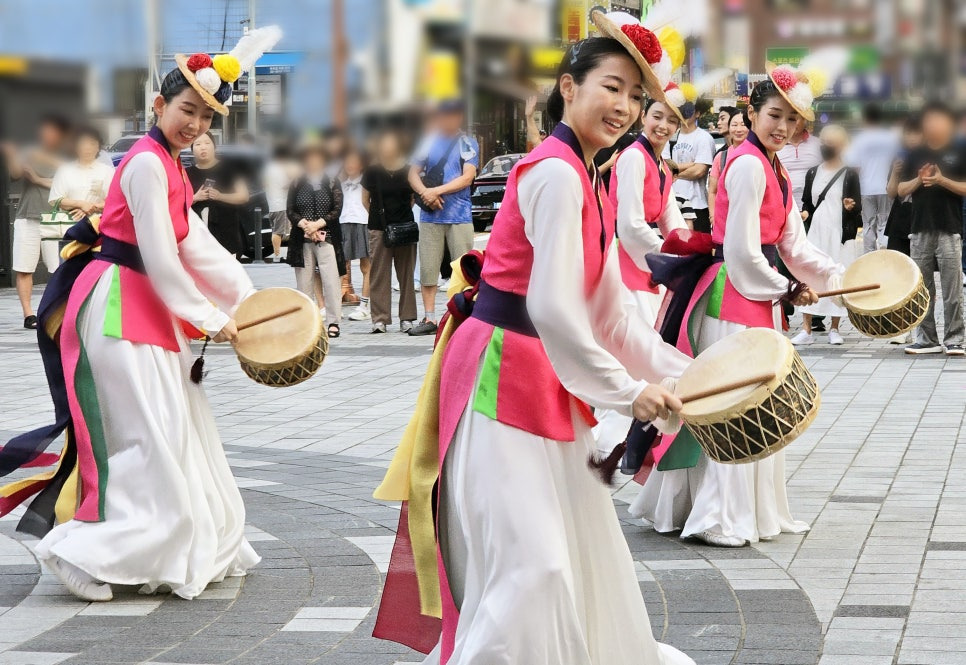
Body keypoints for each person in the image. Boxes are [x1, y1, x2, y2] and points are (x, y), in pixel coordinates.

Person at [373, 14, 696, 664]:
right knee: (536, 564)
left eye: (637, 95)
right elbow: (553, 306)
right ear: (568, 87)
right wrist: (627, 389)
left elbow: (607, 311)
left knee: (574, 551)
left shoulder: (591, 176)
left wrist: (684, 371)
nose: (627, 106)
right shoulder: (554, 172)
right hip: (502, 373)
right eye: (613, 86)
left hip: (540, 375)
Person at [1, 31, 282, 601]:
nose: (195, 125)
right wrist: (209, 315)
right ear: (159, 105)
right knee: (144, 442)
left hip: (144, 306)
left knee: (175, 435)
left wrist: (246, 298)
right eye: (187, 111)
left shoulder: (170, 166)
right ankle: (77, 551)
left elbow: (192, 242)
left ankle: (167, 550)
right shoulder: (146, 164)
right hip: (119, 307)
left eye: (205, 117)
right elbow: (159, 253)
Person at [635, 65, 846, 548]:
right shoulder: (749, 163)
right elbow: (744, 250)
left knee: (751, 402)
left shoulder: (774, 167)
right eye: (774, 115)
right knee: (730, 406)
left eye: (792, 120)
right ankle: (718, 514)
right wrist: (788, 289)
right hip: (733, 291)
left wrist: (836, 277)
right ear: (752, 112)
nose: (783, 127)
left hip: (756, 294)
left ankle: (742, 511)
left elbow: (793, 244)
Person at [899, 101, 966, 356]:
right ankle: (926, 339)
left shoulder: (958, 152)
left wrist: (941, 180)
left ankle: (955, 339)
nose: (933, 124)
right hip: (919, 228)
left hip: (949, 228)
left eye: (938, 119)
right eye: (929, 120)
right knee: (923, 289)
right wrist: (919, 178)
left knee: (952, 288)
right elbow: (901, 191)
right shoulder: (914, 154)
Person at [408, 100, 480, 337]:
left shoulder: (467, 143)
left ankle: (465, 315)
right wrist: (424, 193)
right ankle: (429, 316)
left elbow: (467, 178)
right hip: (431, 216)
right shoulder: (427, 141)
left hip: (459, 214)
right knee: (428, 268)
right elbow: (412, 174)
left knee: (465, 268)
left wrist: (434, 192)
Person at [791, 125, 862, 346]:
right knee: (810, 276)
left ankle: (834, 327)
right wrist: (803, 213)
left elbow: (857, 206)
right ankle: (806, 328)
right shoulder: (813, 172)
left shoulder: (850, 173)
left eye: (831, 143)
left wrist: (851, 207)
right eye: (824, 142)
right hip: (815, 232)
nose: (826, 146)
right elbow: (807, 203)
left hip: (838, 233)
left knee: (835, 278)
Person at [2, 115, 70, 329]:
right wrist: (11, 153)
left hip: (55, 217)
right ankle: (28, 315)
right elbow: (15, 174)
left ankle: (54, 311)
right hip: (27, 215)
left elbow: (66, 183)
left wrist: (38, 179)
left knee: (58, 268)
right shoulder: (29, 151)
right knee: (24, 268)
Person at [287, 138, 345, 338]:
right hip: (302, 239)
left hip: (326, 237)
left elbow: (337, 209)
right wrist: (304, 224)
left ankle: (333, 322)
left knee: (331, 281)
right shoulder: (296, 182)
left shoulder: (331, 180)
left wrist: (317, 224)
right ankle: (306, 323)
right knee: (304, 283)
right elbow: (290, 210)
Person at [362, 130, 419, 333]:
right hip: (379, 228)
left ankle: (407, 318)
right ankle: (380, 319)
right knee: (379, 274)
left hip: (405, 227)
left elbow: (412, 198)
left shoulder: (409, 169)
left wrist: (398, 219)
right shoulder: (372, 171)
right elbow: (365, 201)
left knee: (406, 275)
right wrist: (382, 218)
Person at [883, 115, 922, 345]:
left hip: (922, 221)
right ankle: (902, 326)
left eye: (915, 133)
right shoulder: (899, 159)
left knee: (920, 277)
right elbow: (891, 192)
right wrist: (897, 171)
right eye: (908, 133)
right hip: (899, 221)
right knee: (898, 275)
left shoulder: (929, 158)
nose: (911, 138)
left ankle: (920, 328)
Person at [846, 103, 900, 253]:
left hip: (866, 188)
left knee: (868, 223)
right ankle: (885, 252)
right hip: (887, 187)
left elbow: (853, 164)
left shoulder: (860, 139)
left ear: (865, 119)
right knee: (885, 221)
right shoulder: (891, 138)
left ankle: (869, 255)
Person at [186, 132, 249, 258]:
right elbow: (176, 202)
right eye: (197, 144)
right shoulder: (187, 173)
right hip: (197, 236)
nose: (203, 147)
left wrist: (220, 196)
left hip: (226, 232)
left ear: (214, 146)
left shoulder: (229, 169)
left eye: (207, 143)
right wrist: (195, 198)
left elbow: (244, 196)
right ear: (192, 149)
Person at [663, 99, 716, 232]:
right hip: (673, 205)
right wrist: (689, 165)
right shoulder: (669, 137)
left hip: (698, 205)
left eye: (689, 109)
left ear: (697, 113)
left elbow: (699, 171)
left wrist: (673, 172)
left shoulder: (704, 138)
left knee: (699, 250)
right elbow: (664, 167)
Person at [48, 125, 115, 223]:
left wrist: (91, 207)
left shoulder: (108, 171)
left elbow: (114, 200)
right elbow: (55, 199)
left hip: (99, 226)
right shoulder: (64, 170)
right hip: (69, 225)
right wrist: (80, 204)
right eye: (83, 143)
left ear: (98, 147)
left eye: (92, 143)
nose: (87, 148)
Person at [340, 150, 373, 321]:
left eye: (354, 161)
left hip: (364, 222)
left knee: (366, 266)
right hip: (344, 222)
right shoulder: (341, 181)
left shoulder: (367, 180)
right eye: (347, 161)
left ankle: (365, 305)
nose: (350, 165)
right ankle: (334, 307)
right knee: (340, 266)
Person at [708, 108, 750, 225]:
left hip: (750, 219)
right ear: (729, 128)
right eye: (734, 125)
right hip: (723, 220)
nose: (738, 129)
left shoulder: (757, 154)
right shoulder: (721, 157)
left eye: (743, 125)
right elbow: (712, 191)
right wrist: (713, 217)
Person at [264, 142, 296, 262]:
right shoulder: (279, 168)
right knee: (279, 232)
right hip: (281, 204)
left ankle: (279, 254)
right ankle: (277, 255)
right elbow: (284, 185)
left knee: (277, 230)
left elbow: (265, 184)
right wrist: (293, 180)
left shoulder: (269, 167)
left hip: (272, 204)